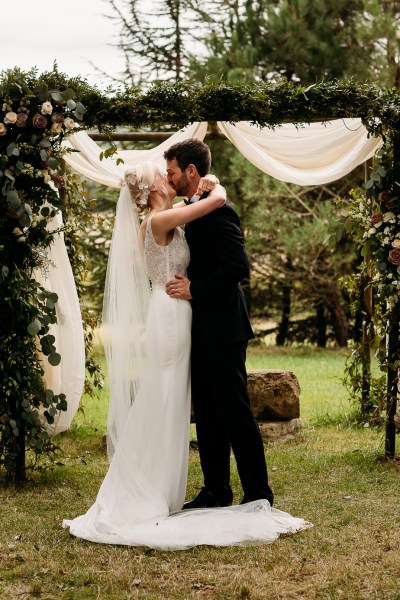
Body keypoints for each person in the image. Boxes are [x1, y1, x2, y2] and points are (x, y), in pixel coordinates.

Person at [63, 160, 311, 550]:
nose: (168, 177)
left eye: (171, 170)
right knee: (167, 395)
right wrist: (218, 189)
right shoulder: (161, 221)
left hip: (187, 316)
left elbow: (223, 245)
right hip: (170, 313)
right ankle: (171, 487)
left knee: (189, 399)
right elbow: (210, 204)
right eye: (162, 175)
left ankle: (238, 490)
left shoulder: (170, 216)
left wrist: (209, 186)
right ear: (152, 190)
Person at [164, 139, 274, 508]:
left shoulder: (219, 210)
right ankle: (216, 490)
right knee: (208, 412)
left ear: (191, 172)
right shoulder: (193, 206)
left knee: (234, 410)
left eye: (173, 171)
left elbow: (237, 267)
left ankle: (258, 492)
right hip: (196, 327)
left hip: (224, 327)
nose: (170, 177)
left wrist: (196, 289)